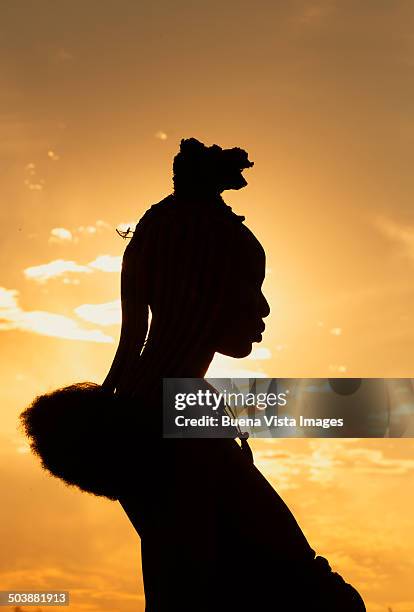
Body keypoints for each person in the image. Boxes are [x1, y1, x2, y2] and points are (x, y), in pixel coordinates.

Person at [20, 138, 366, 611]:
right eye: (249, 286)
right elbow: (184, 591)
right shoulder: (174, 419)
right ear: (199, 289)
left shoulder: (171, 406)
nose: (263, 306)